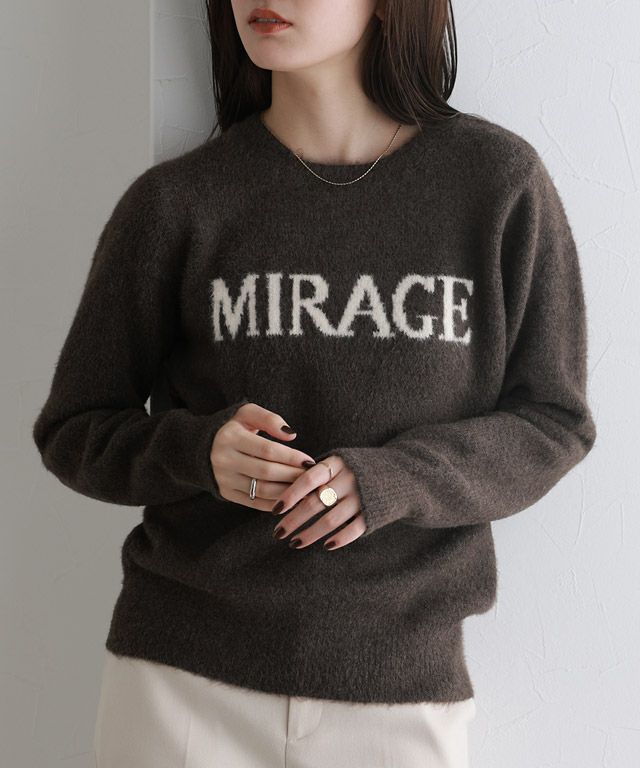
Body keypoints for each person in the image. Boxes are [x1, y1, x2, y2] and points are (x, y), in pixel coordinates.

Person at [32, 1, 597, 766]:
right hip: (179, 685)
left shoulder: (495, 184)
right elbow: (75, 429)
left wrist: (396, 480)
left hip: (397, 694)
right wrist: (197, 452)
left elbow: (554, 421)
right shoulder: (178, 202)